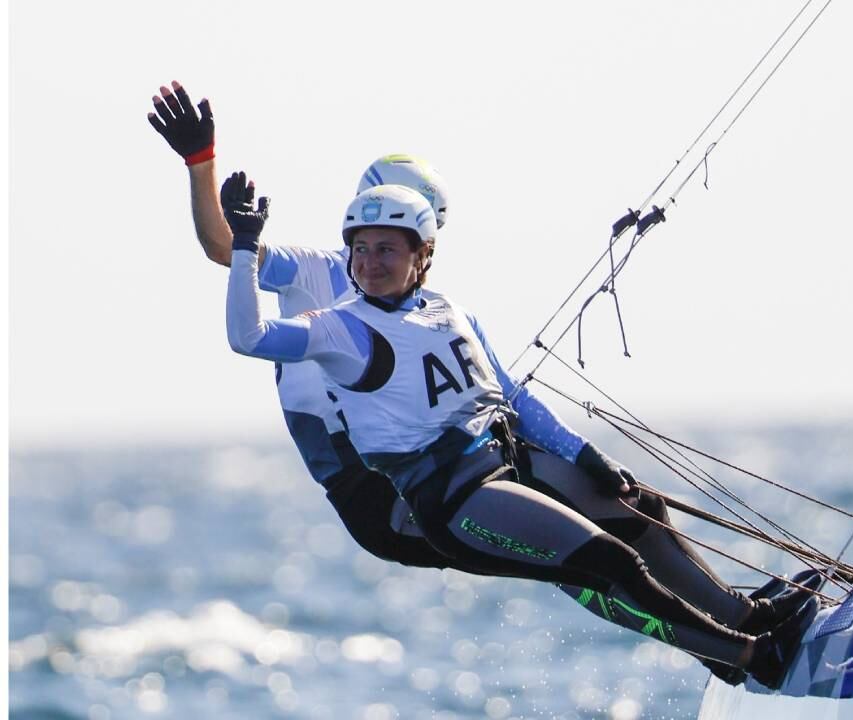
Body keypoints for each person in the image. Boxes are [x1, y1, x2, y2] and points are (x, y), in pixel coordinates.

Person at [149, 81, 814, 686]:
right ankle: (728, 652)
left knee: (636, 510)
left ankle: (743, 616)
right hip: (388, 494)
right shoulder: (316, 279)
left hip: (475, 457)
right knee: (578, 559)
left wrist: (587, 458)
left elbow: (505, 398)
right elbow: (224, 252)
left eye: (413, 239)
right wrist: (201, 164)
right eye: (374, 243)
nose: (385, 257)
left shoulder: (438, 310)